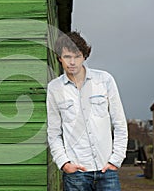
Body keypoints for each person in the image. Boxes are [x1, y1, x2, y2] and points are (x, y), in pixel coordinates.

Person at [47, 31, 128, 190]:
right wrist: (64, 163)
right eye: (67, 57)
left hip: (107, 170)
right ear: (59, 58)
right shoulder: (54, 89)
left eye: (77, 56)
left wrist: (115, 160)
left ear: (84, 56)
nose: (72, 62)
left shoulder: (104, 80)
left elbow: (119, 123)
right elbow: (54, 132)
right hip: (76, 173)